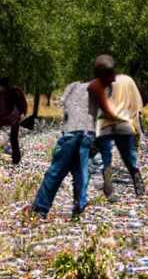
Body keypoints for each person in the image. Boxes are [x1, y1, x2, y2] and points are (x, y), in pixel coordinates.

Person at [27, 81, 98, 218]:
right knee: (80, 173)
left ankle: (41, 209)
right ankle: (79, 207)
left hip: (72, 135)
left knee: (56, 172)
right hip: (86, 136)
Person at [89, 57, 145, 198]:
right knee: (129, 157)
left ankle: (107, 179)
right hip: (124, 124)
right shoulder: (128, 82)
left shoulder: (103, 83)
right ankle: (138, 183)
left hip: (103, 125)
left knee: (105, 157)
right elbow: (135, 109)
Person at [0, 77, 27, 165]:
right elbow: (22, 103)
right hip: (16, 117)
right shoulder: (15, 90)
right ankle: (16, 158)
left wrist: (0, 115)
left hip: (7, 116)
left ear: (1, 85)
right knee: (14, 138)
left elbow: (2, 107)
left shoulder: (3, 93)